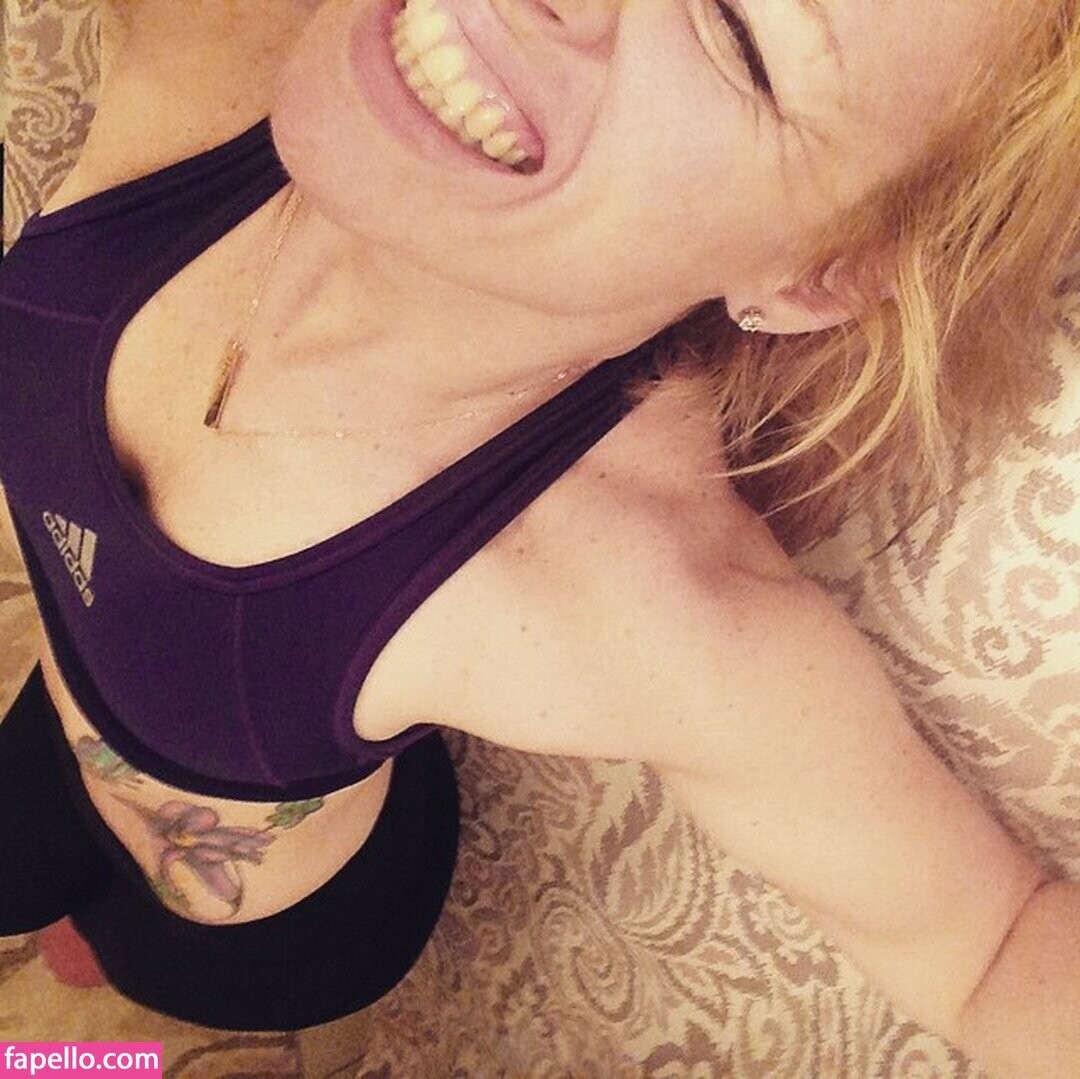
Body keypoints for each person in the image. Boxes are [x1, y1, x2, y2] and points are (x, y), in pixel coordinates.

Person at [0, 0, 1077, 1069]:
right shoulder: (227, 36)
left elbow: (991, 953)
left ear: (814, 271)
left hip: (265, 938)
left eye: (736, 31)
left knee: (84, 1017)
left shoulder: (643, 600)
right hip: (52, 717)